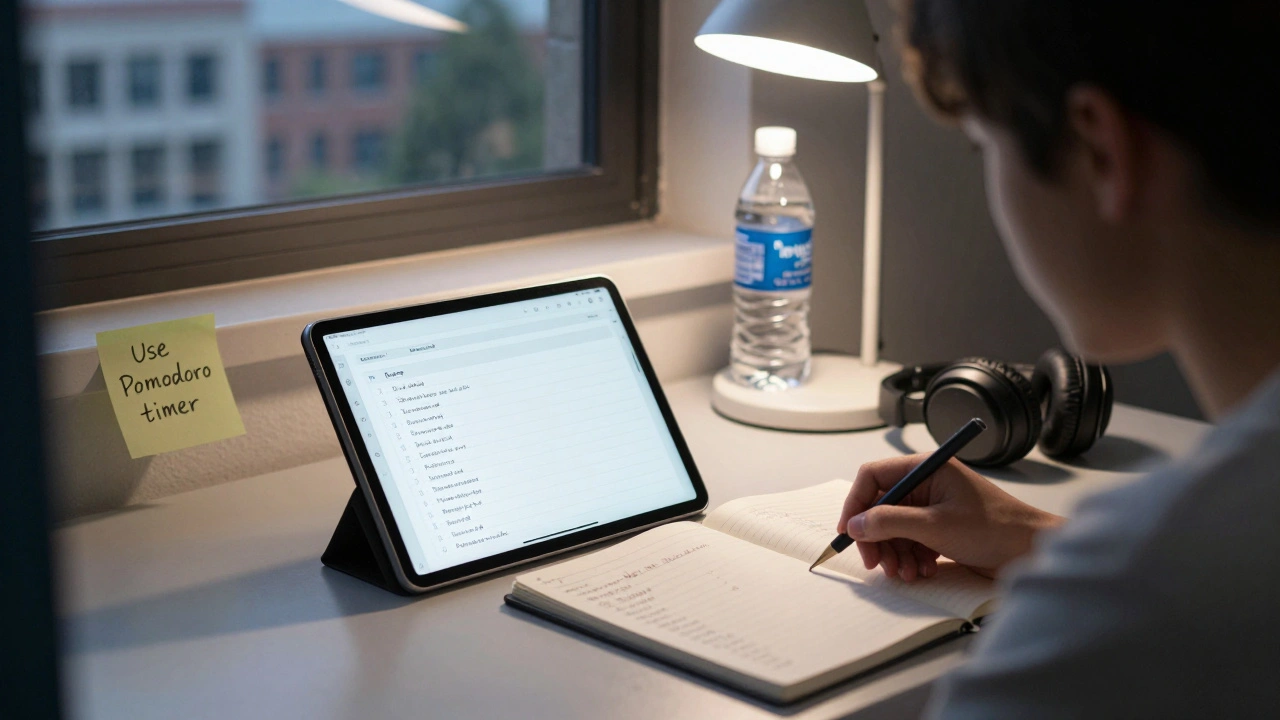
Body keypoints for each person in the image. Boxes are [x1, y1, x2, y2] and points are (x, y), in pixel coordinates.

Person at [835, 2, 1280, 716]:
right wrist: (1030, 536)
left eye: (985, 148)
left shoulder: (1121, 616)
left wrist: (1095, 572)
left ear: (1102, 150)